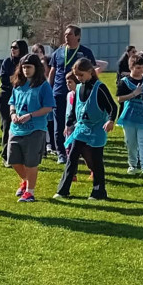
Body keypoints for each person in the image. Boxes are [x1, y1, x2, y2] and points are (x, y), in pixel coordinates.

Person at [55, 59, 117, 200]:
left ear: (90, 72)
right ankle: (63, 190)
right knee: (72, 158)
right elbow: (75, 109)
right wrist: (69, 124)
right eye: (76, 75)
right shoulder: (78, 88)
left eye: (81, 75)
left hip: (97, 129)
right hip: (81, 128)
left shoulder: (100, 88)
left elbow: (112, 107)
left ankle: (99, 192)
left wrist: (111, 121)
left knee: (96, 161)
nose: (78, 78)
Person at [7, 54, 55, 202]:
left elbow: (48, 107)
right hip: (16, 128)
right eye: (24, 67)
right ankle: (25, 181)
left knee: (30, 162)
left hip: (35, 129)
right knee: (13, 160)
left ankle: (30, 192)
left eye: (29, 67)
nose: (26, 70)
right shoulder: (18, 84)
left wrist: (30, 115)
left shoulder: (43, 85)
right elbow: (12, 102)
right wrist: (13, 113)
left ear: (36, 68)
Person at [47, 26, 97, 164]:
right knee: (59, 123)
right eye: (65, 34)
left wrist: (91, 90)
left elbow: (92, 72)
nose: (66, 37)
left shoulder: (85, 52)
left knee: (77, 123)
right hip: (59, 92)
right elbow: (52, 71)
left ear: (78, 36)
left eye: (69, 34)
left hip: (79, 93)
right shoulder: (58, 52)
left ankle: (76, 150)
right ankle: (61, 153)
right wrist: (49, 89)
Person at [116, 53, 143, 175]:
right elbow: (120, 99)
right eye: (138, 68)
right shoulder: (124, 81)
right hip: (129, 117)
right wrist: (134, 93)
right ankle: (132, 165)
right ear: (131, 67)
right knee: (131, 143)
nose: (141, 70)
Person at [0, 40, 29, 166]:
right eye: (11, 47)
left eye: (15, 47)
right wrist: (17, 80)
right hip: (6, 96)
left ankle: (21, 155)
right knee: (7, 125)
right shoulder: (7, 62)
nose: (13, 49)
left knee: (21, 126)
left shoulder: (26, 62)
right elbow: (4, 78)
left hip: (23, 97)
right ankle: (6, 156)